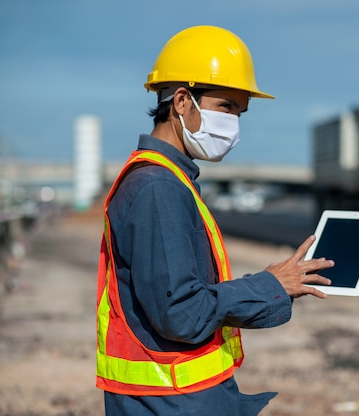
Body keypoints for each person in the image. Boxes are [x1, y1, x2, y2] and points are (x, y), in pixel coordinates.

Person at [95, 25, 333, 416]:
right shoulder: (158, 187)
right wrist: (269, 285)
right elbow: (182, 313)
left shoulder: (167, 178)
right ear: (183, 102)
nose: (234, 126)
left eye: (240, 112)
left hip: (176, 397)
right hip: (170, 402)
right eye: (226, 107)